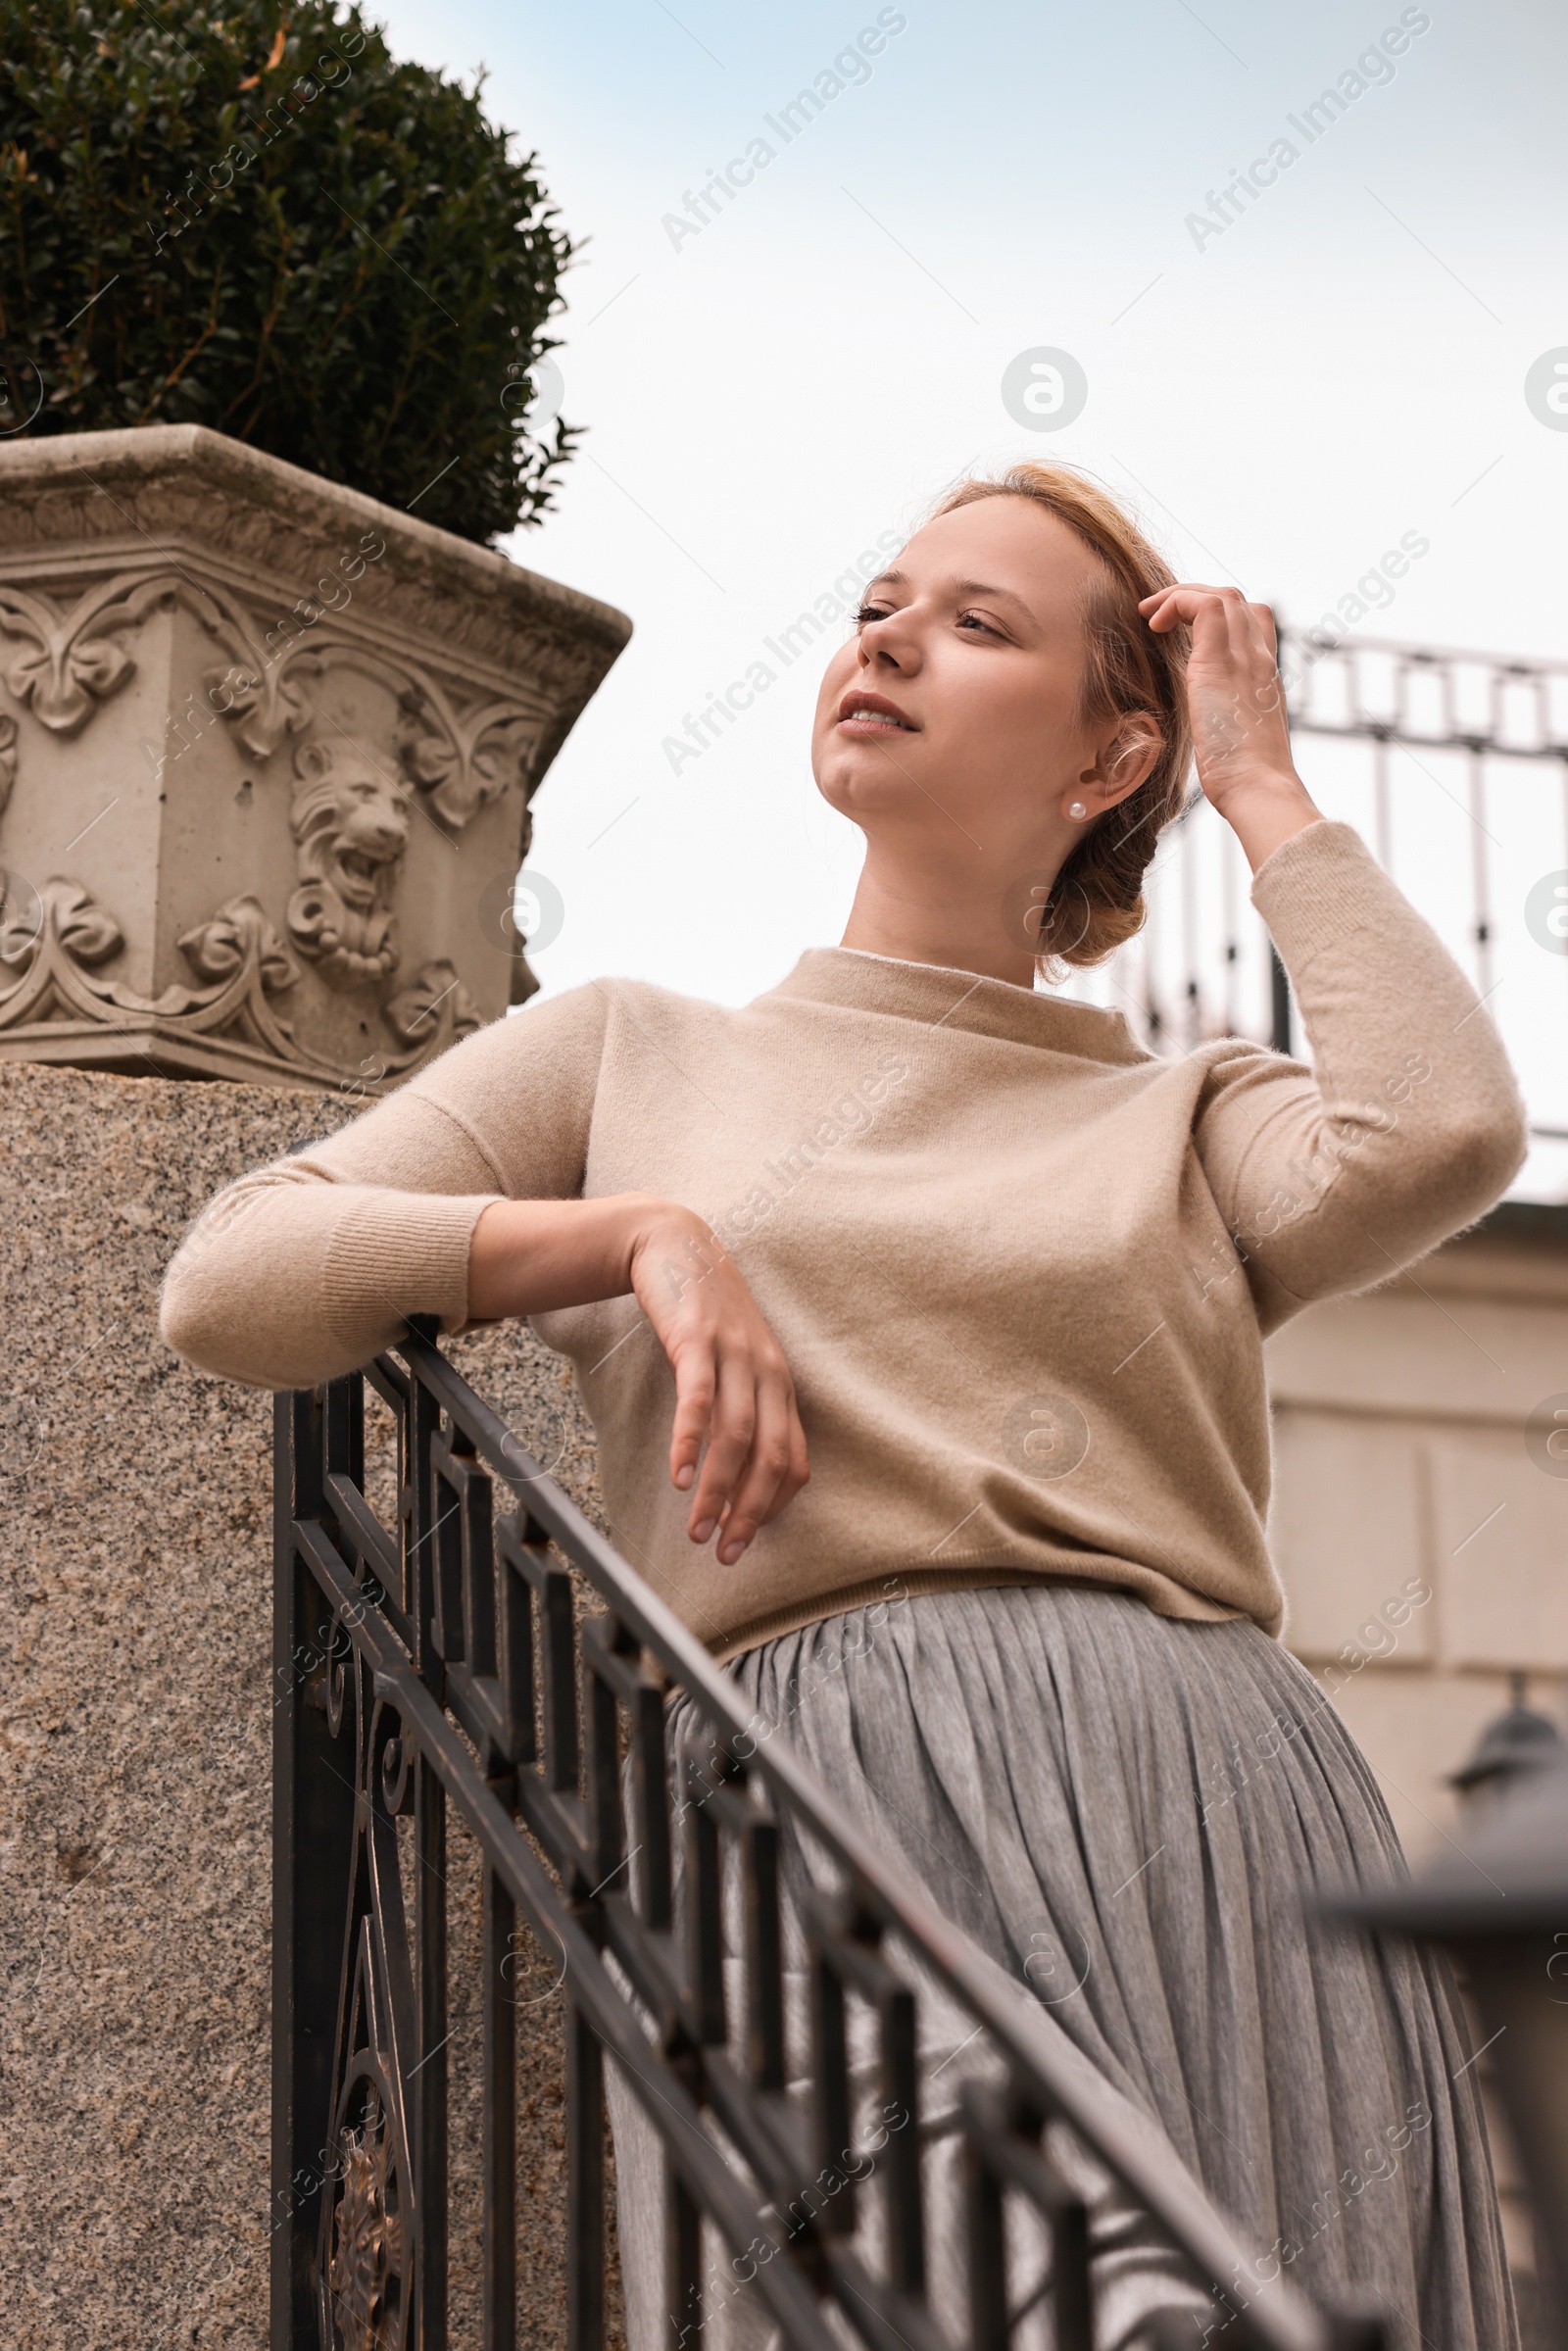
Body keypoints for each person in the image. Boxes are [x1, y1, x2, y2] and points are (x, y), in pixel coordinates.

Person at [161, 463, 1526, 2347]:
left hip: (1208, 1808)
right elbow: (229, 1280)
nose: (888, 637)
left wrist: (1264, 784)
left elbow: (1444, 1128)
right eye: (884, 599)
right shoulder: (635, 1047)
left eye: (979, 625)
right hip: (814, 1793)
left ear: (1110, 759)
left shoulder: (1188, 1115)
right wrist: (636, 1235)